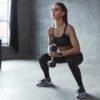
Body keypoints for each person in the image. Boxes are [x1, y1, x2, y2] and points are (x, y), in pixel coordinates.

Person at [37, 2, 86, 99]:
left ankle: (81, 88)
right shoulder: (50, 29)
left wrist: (59, 54)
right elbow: (50, 44)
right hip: (61, 55)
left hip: (75, 56)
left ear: (63, 13)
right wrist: (50, 52)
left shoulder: (69, 28)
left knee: (70, 60)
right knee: (42, 58)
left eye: (56, 10)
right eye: (52, 10)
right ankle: (47, 80)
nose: (52, 12)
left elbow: (77, 49)